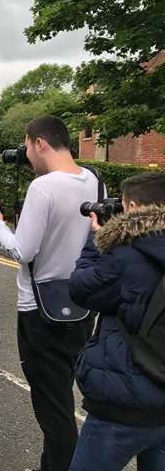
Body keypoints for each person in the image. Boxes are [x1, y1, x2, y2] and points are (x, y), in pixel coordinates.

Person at [0, 115, 100, 471]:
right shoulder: (95, 181)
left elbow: (22, 251)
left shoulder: (43, 188)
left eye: (27, 146)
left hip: (40, 312)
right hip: (82, 306)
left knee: (55, 414)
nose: (26, 155)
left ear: (40, 143)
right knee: (60, 397)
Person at [68, 172, 165, 471]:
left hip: (124, 407)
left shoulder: (124, 257)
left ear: (134, 208)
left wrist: (96, 241)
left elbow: (81, 289)